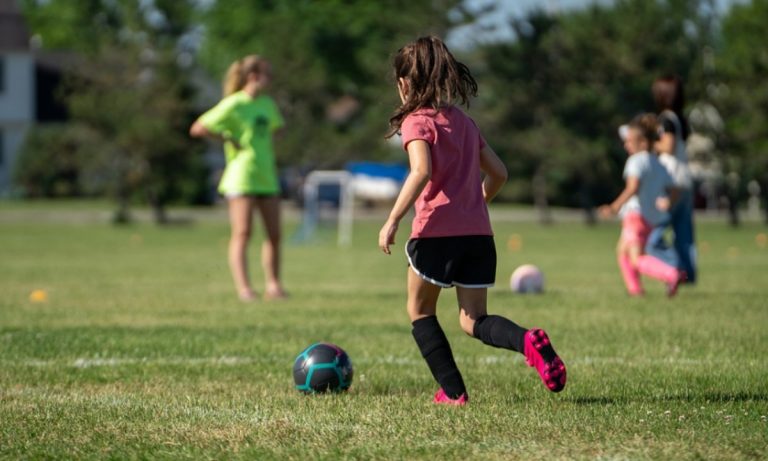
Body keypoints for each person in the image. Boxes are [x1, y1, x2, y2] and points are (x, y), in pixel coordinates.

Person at [378, 36, 566, 405]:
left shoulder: (416, 122)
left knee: (419, 311)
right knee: (473, 320)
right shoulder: (463, 121)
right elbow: (499, 173)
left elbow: (420, 172)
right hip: (478, 235)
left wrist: (392, 219)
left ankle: (453, 393)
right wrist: (474, 205)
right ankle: (528, 340)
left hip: (435, 234)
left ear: (403, 83)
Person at [190, 55, 287, 302]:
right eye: (268, 74)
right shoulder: (233, 104)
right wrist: (227, 137)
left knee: (274, 234)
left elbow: (277, 130)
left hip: (266, 175)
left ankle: (273, 286)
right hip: (241, 176)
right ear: (254, 76)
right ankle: (245, 289)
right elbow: (198, 128)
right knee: (243, 232)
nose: (271, 79)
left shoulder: (267, 104)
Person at [599, 114, 686, 297]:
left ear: (644, 143)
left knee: (636, 258)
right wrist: (667, 202)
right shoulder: (658, 163)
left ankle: (671, 274)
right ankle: (635, 290)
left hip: (634, 215)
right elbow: (676, 190)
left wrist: (614, 207)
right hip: (650, 219)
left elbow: (633, 188)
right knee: (622, 251)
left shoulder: (636, 161)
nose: (626, 145)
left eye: (630, 141)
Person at [651, 75, 697, 284]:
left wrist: (648, 145)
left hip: (670, 181)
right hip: (685, 179)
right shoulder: (680, 118)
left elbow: (667, 147)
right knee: (684, 233)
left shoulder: (666, 119)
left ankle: (676, 269)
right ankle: (688, 274)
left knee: (656, 234)